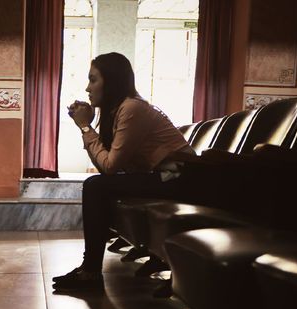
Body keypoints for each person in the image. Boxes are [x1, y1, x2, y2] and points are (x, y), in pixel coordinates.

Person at [53, 52, 197, 292]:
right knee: (98, 186)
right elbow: (107, 166)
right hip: (162, 178)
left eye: (93, 79)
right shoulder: (118, 111)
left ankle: (90, 272)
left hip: (182, 180)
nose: (87, 88)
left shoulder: (131, 108)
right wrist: (89, 126)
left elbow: (109, 167)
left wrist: (86, 127)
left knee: (95, 185)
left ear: (111, 81)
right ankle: (89, 270)